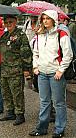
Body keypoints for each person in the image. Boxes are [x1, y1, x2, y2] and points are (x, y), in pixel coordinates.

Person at [29, 10, 73, 138]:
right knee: (44, 102)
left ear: (53, 19)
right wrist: (35, 66)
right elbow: (35, 52)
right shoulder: (39, 34)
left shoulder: (61, 34)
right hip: (42, 73)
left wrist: (60, 70)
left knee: (59, 103)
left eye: (48, 18)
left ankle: (59, 129)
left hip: (55, 73)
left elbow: (68, 54)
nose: (45, 21)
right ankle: (42, 128)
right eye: (43, 19)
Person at [0, 15, 32, 126]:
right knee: (6, 92)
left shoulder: (21, 35)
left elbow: (26, 53)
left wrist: (26, 69)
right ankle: (10, 112)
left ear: (16, 22)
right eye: (6, 22)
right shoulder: (4, 35)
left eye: (10, 22)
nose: (8, 24)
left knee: (17, 93)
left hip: (16, 70)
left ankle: (20, 114)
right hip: (5, 69)